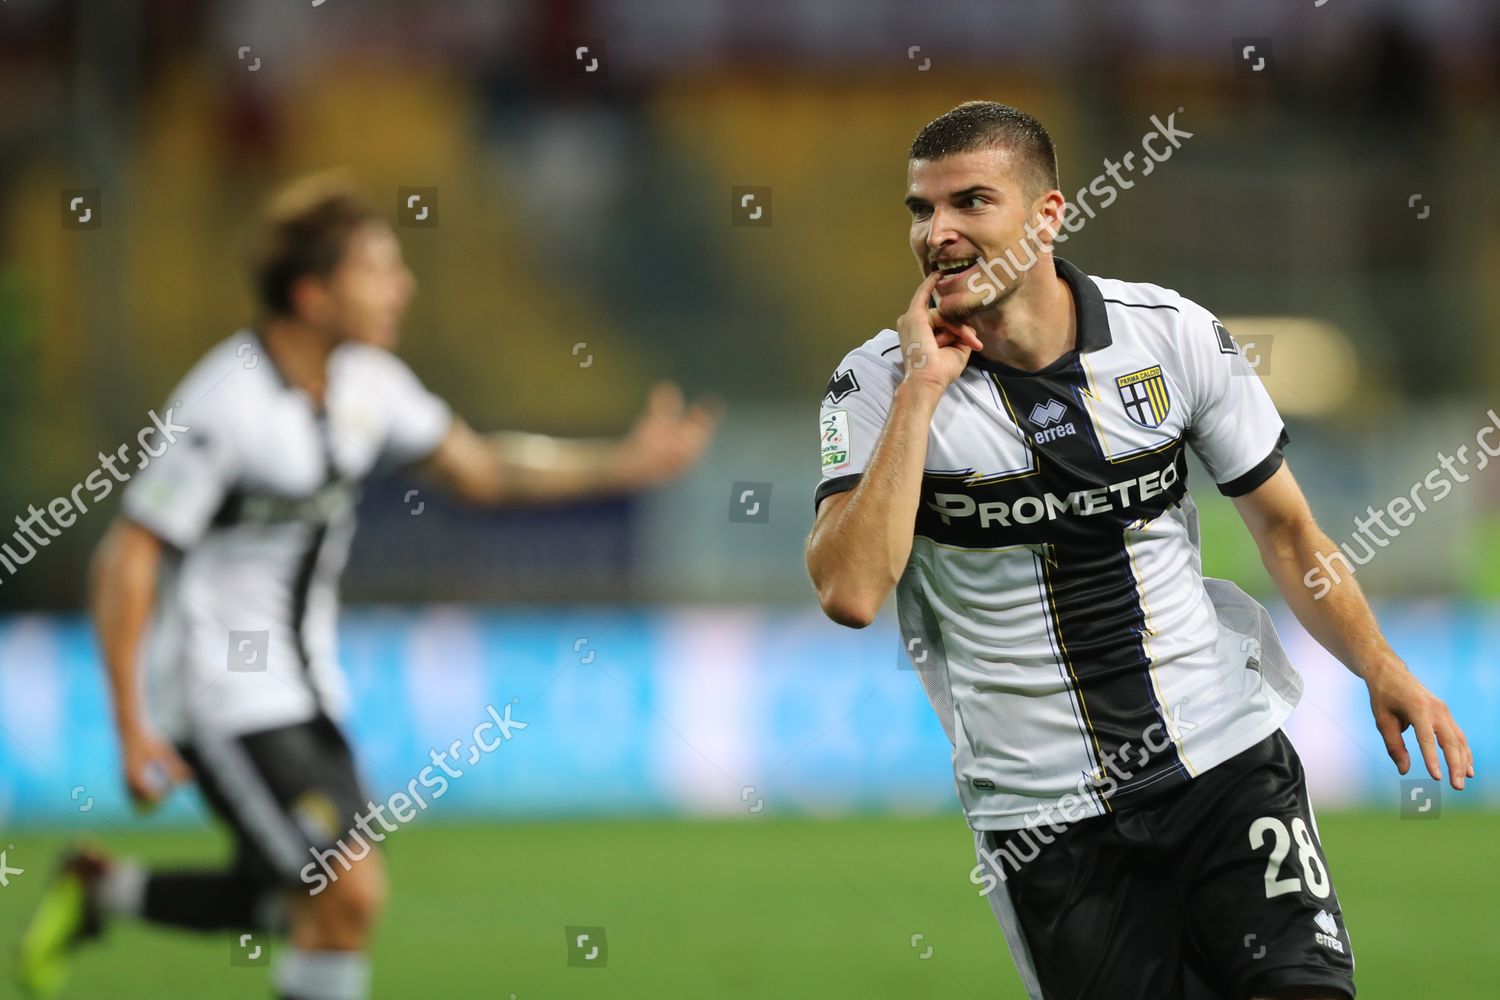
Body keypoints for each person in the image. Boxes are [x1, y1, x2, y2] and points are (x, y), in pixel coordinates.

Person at [805, 101, 1471, 1000]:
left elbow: (1287, 530)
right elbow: (849, 591)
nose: (938, 232)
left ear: (1047, 216)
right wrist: (923, 393)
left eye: (971, 203)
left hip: (1221, 761)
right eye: (922, 211)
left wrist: (1380, 665)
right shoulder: (875, 380)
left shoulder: (1171, 334)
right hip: (1047, 818)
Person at [18, 173, 718, 1000]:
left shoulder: (369, 384)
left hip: (311, 687)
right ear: (314, 296)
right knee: (344, 889)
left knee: (298, 895)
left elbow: (481, 468)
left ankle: (100, 890)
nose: (404, 286)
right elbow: (126, 558)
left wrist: (621, 465)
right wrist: (132, 726)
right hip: (221, 692)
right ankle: (105, 890)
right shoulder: (224, 404)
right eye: (378, 269)